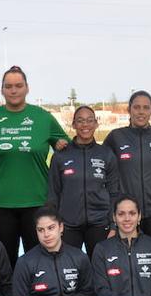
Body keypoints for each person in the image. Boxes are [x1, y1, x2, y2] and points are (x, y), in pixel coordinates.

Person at [0, 66, 69, 267]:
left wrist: (61, 145)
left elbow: (69, 152)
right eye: (8, 86)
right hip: (0, 204)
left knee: (41, 262)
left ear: (27, 88)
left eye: (18, 86)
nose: (13, 90)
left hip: (37, 202)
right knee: (3, 262)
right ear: (2, 90)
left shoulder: (43, 118)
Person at [47, 105, 119, 258]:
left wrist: (113, 226)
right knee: (70, 271)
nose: (85, 125)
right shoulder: (61, 155)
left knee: (101, 270)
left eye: (89, 120)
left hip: (99, 224)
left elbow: (114, 193)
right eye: (80, 121)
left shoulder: (106, 154)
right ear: (73, 125)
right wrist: (55, 225)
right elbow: (53, 193)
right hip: (68, 225)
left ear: (96, 123)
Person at [104, 90, 151, 241]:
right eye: (136, 107)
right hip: (127, 212)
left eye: (145, 107)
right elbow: (102, 166)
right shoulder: (116, 137)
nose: (141, 112)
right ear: (129, 110)